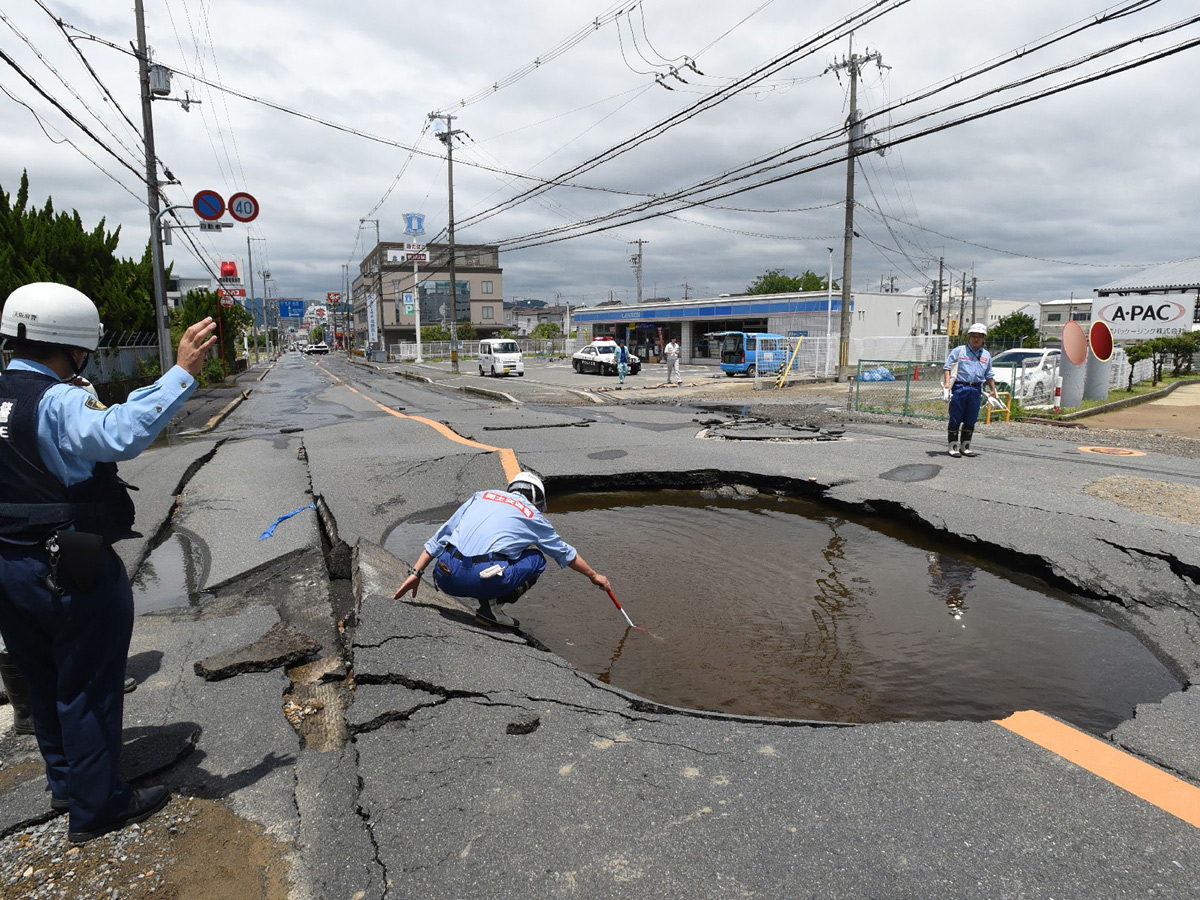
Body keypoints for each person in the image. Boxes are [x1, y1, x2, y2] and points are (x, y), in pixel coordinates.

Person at [0, 282, 217, 844]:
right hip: (65, 560)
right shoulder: (57, 401)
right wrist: (182, 373)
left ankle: (68, 783)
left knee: (43, 679)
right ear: (75, 344)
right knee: (89, 682)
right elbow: (119, 432)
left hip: (8, 563)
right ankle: (98, 806)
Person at [393, 471, 611, 628]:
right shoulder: (532, 514)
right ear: (537, 499)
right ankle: (492, 608)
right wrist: (594, 575)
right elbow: (565, 553)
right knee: (537, 557)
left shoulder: (481, 496)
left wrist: (416, 573)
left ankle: (487, 600)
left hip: (445, 575)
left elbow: (441, 535)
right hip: (482, 579)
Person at [941, 322, 1001, 457]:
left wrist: (993, 390)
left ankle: (965, 446)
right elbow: (947, 367)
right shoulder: (959, 351)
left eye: (979, 336)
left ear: (983, 338)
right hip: (960, 387)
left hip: (976, 389)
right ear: (968, 337)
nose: (976, 339)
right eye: (973, 336)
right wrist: (947, 383)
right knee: (955, 418)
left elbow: (989, 374)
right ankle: (953, 446)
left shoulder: (986, 355)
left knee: (971, 418)